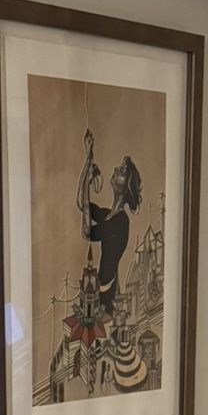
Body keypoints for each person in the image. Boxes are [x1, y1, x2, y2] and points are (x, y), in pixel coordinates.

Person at [76, 129, 141, 314]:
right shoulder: (110, 215)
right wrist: (87, 160)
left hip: (107, 297)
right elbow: (81, 203)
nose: (116, 169)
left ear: (126, 187)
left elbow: (87, 232)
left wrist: (88, 180)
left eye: (122, 170)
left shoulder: (120, 222)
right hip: (101, 291)